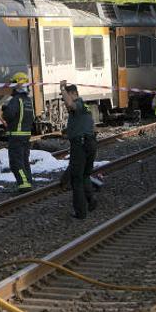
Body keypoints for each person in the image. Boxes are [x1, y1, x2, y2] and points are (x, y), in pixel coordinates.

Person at [61, 81, 97, 219]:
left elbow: (70, 104)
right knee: (85, 175)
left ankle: (80, 212)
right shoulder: (85, 107)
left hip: (80, 145)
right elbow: (92, 127)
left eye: (66, 96)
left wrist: (62, 89)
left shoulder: (79, 104)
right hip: (90, 143)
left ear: (74, 94)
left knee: (76, 179)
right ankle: (91, 201)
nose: (64, 101)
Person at [1, 72, 34, 192]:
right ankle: (28, 182)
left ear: (18, 85)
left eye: (13, 83)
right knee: (24, 161)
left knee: (16, 162)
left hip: (16, 136)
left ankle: (24, 185)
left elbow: (9, 115)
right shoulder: (28, 100)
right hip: (25, 135)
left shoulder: (16, 100)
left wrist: (5, 111)